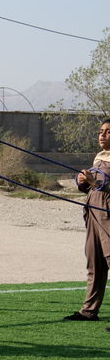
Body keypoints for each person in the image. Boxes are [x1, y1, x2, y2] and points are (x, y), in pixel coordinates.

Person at [64, 118, 110, 322]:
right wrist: (82, 181)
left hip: (107, 213)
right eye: (101, 131)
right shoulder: (100, 157)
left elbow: (102, 184)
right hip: (92, 212)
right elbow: (92, 185)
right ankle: (89, 311)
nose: (102, 135)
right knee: (94, 263)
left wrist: (96, 183)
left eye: (108, 132)